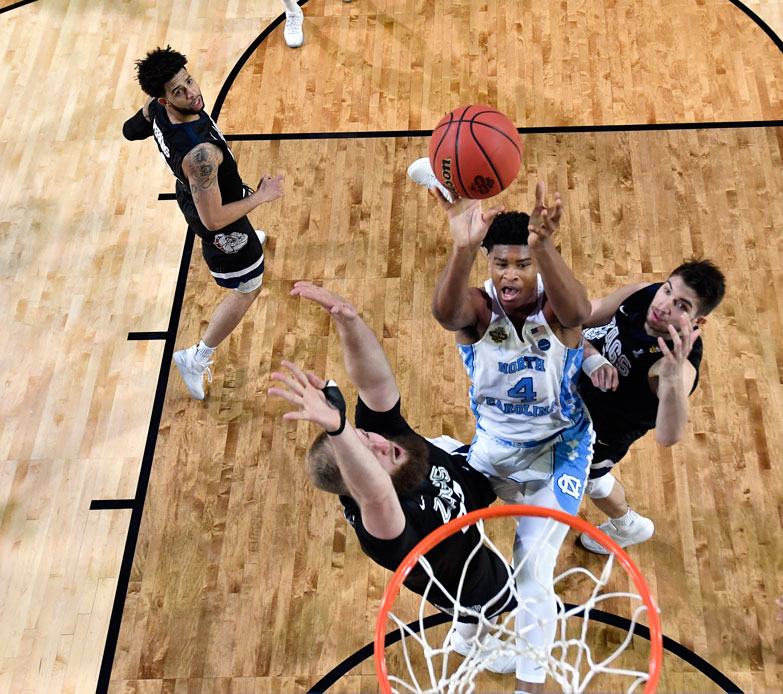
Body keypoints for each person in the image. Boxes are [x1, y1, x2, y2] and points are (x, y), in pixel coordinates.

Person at [268, 281, 517, 672]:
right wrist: (337, 428)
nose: (382, 444)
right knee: (490, 605)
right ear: (355, 483)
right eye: (370, 453)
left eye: (369, 438)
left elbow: (375, 383)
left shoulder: (383, 441)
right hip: (462, 576)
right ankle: (470, 643)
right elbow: (377, 494)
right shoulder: (382, 530)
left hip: (460, 478)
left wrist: (350, 322)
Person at [419, 159, 594, 694]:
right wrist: (462, 248)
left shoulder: (555, 309)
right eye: (500, 264)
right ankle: (470, 622)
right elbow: (445, 314)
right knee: (437, 516)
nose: (510, 275)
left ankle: (529, 686)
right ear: (489, 263)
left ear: (537, 265)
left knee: (533, 570)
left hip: (555, 455)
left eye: (522, 264)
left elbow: (579, 312)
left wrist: (545, 246)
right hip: (492, 450)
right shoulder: (479, 307)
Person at [122, 46, 285, 401]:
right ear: (165, 100)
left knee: (228, 211)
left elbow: (129, 130)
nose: (192, 93)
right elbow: (213, 220)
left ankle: (246, 237)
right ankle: (196, 357)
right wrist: (262, 196)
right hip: (219, 222)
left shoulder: (155, 109)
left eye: (189, 81)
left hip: (193, 194)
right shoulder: (200, 155)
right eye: (179, 91)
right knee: (249, 287)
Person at [574, 259, 726, 554]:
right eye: (668, 290)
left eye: (682, 306)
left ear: (698, 321)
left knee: (591, 480)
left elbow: (669, 436)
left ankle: (627, 525)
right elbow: (581, 316)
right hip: (579, 381)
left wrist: (672, 377)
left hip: (602, 429)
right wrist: (589, 354)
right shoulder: (644, 294)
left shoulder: (675, 366)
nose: (665, 305)